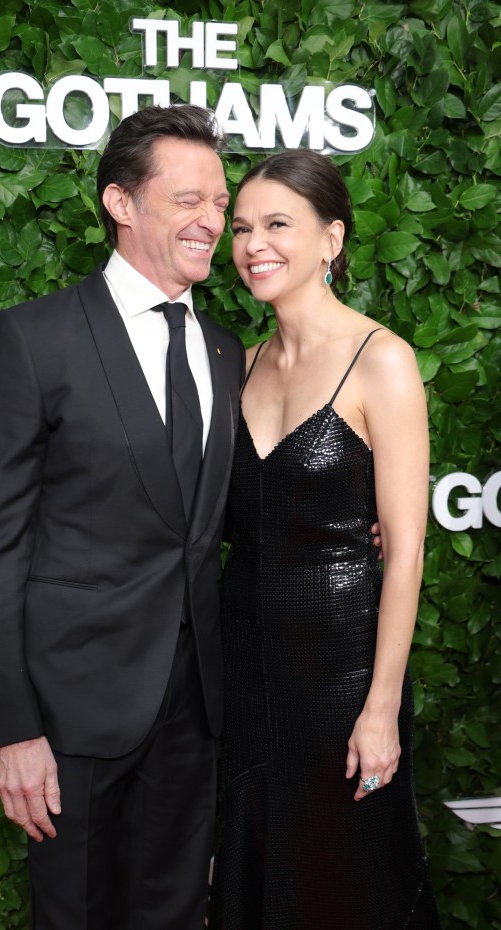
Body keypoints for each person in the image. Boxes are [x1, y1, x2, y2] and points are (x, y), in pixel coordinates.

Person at [0, 104, 246, 929]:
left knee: (171, 915)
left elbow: (215, 515)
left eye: (220, 202)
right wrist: (13, 729)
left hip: (193, 708)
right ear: (122, 204)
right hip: (71, 711)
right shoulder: (37, 338)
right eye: (189, 199)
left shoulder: (225, 349)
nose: (212, 221)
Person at [209, 150, 441, 929]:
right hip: (246, 674)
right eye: (242, 228)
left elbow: (405, 553)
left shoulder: (384, 362)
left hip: (344, 676)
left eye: (278, 224)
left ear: (331, 240)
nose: (253, 245)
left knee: (347, 883)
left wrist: (380, 709)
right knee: (257, 877)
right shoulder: (235, 368)